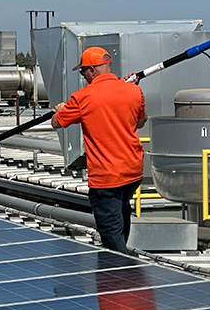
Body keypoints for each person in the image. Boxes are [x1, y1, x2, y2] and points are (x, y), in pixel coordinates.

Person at [51, 47, 147, 254]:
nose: (83, 76)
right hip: (133, 171)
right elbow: (141, 123)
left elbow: (56, 123)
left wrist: (61, 110)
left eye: (83, 71)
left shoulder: (82, 97)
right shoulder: (134, 90)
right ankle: (122, 263)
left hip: (106, 175)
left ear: (92, 70)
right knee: (121, 213)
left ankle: (122, 269)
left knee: (110, 228)